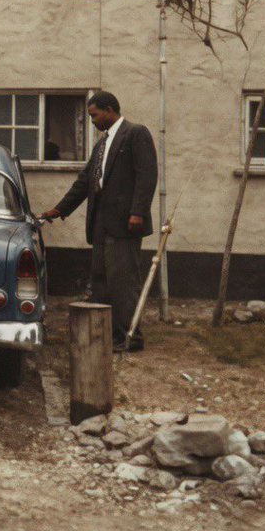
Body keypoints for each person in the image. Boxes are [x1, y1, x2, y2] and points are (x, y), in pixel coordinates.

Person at [39, 92, 157, 352]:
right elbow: (84, 182)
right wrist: (59, 209)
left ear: (110, 110)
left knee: (122, 281)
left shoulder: (136, 133)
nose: (91, 121)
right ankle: (107, 334)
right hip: (101, 223)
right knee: (101, 280)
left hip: (125, 224)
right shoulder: (102, 144)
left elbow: (146, 176)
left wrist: (138, 212)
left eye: (94, 115)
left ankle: (129, 337)